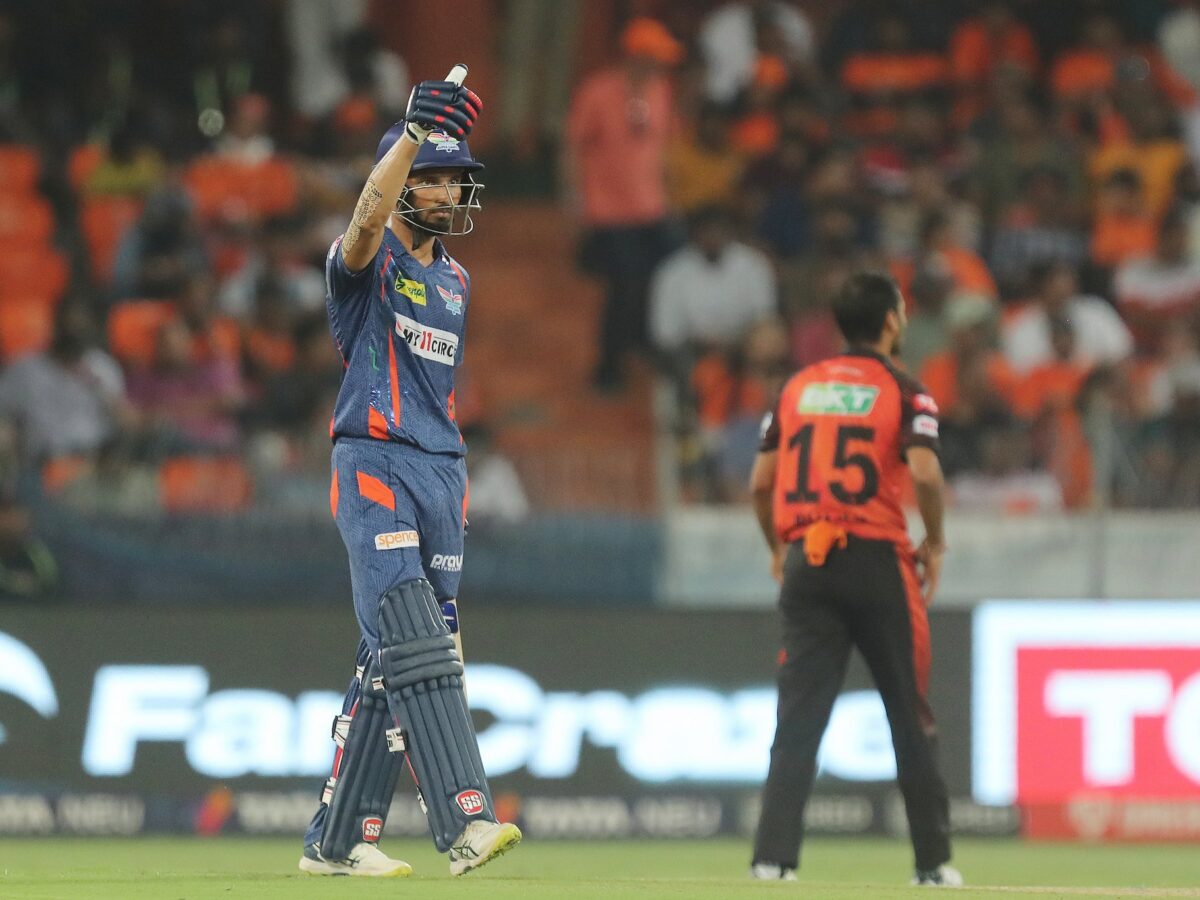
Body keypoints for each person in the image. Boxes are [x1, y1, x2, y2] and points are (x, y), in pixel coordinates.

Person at [298, 68, 521, 878]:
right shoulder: (362, 263)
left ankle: (337, 841)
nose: (453, 192)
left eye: (459, 180)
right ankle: (466, 821)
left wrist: (432, 145)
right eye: (437, 178)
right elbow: (366, 219)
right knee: (418, 637)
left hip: (442, 473)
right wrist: (412, 136)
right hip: (374, 460)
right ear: (403, 184)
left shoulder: (457, 280)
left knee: (391, 656)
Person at [748, 272, 960, 887]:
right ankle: (931, 864)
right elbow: (926, 475)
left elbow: (761, 483)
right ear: (892, 320)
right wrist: (935, 541)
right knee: (909, 714)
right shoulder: (906, 389)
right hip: (876, 562)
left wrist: (777, 548)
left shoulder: (797, 387)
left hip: (807, 560)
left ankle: (772, 860)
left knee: (798, 718)